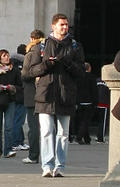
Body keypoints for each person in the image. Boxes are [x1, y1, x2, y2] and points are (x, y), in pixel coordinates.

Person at [27, 13, 85, 177]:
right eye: (62, 25)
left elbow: (82, 72)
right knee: (46, 132)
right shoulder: (42, 46)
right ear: (53, 26)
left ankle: (59, 166)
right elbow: (30, 71)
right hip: (45, 95)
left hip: (66, 95)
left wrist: (67, 63)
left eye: (66, 25)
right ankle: (47, 165)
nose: (65, 27)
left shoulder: (75, 46)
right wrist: (47, 64)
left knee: (63, 134)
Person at [21, 29, 45, 164]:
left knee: (34, 127)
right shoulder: (48, 51)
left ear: (32, 39)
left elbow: (25, 74)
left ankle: (33, 155)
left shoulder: (30, 54)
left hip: (32, 94)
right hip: (46, 93)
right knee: (49, 129)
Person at [11, 44, 29, 152]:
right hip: (22, 95)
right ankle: (16, 142)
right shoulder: (24, 64)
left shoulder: (11, 65)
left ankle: (20, 141)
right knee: (18, 120)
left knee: (16, 120)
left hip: (13, 96)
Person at [74, 62, 98, 145]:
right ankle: (79, 137)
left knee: (82, 121)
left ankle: (87, 138)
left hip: (80, 102)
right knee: (86, 121)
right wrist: (96, 102)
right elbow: (94, 91)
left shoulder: (78, 77)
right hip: (89, 102)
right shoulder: (92, 77)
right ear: (89, 68)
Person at [95, 77, 110, 143]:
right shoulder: (107, 81)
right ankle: (101, 138)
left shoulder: (97, 80)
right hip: (104, 103)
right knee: (103, 122)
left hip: (97, 102)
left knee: (99, 121)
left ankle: (98, 135)